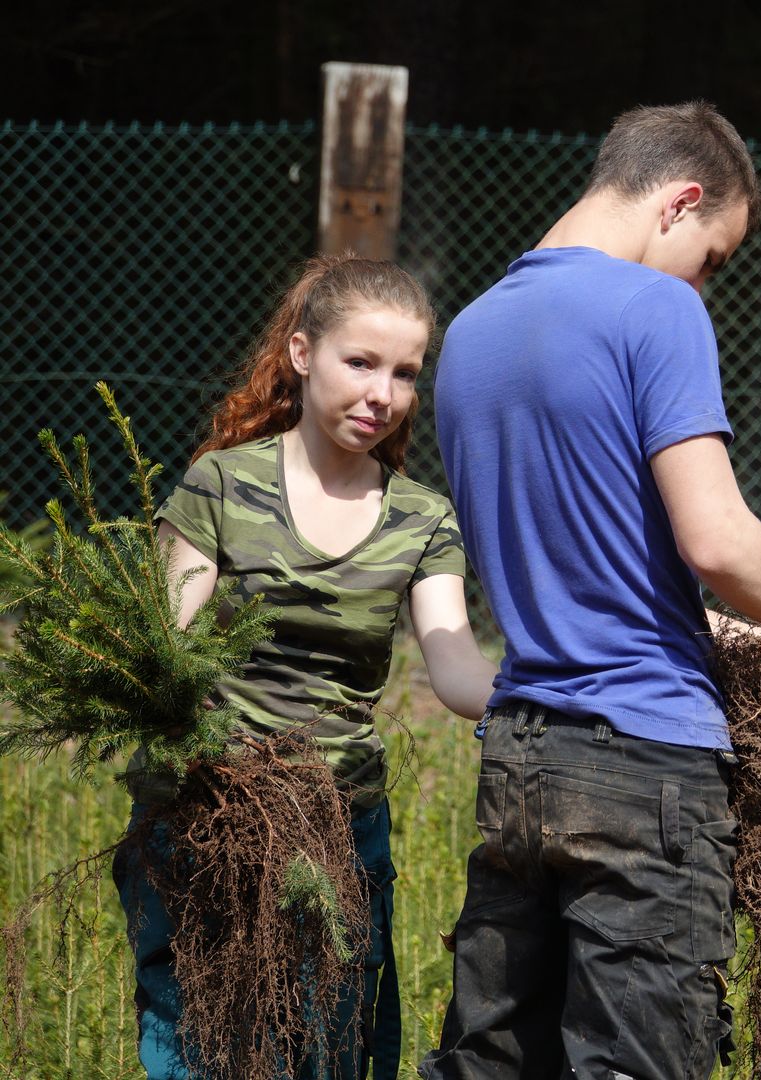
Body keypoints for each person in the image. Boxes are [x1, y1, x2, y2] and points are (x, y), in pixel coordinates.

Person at [420, 100, 761, 1080]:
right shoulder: (657, 308)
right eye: (715, 259)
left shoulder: (471, 333)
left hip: (516, 758)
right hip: (644, 767)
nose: (706, 287)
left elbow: (595, 570)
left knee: (493, 1063)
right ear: (681, 203)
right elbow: (715, 539)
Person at [115, 254, 498, 1079]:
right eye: (359, 362)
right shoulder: (221, 484)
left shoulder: (422, 518)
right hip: (206, 818)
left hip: (337, 824)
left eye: (404, 373)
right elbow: (164, 646)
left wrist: (559, 689)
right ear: (300, 354)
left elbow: (458, 667)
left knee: (327, 1046)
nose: (382, 394)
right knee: (197, 1045)